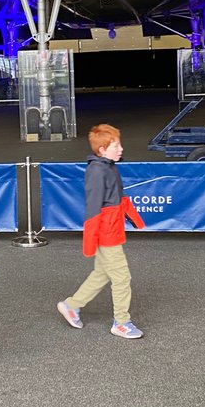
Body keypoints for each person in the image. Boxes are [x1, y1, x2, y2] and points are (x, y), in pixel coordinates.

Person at [57, 123, 145, 338]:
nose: (121, 148)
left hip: (110, 230)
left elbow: (114, 200)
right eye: (116, 145)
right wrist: (91, 239)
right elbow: (93, 207)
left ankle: (72, 305)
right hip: (107, 233)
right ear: (103, 150)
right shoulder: (98, 170)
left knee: (103, 273)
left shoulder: (106, 167)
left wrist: (132, 217)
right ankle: (121, 322)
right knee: (122, 277)